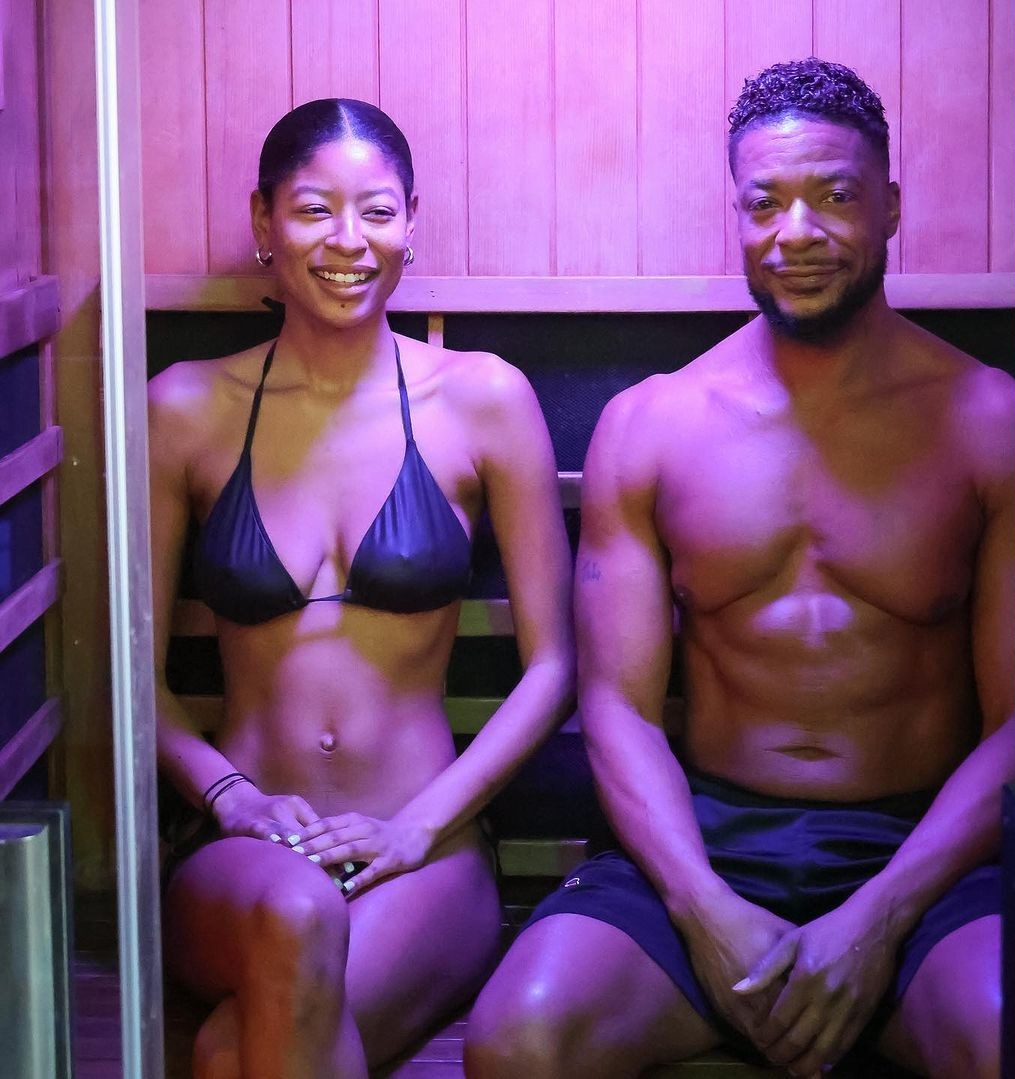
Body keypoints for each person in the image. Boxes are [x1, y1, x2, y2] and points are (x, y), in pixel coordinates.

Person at [465, 58, 1015, 1079]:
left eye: (835, 197)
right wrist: (704, 910)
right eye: (765, 202)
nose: (796, 233)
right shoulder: (652, 424)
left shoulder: (999, 425)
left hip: (930, 856)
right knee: (520, 1042)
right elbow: (619, 707)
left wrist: (879, 918)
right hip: (708, 842)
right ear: (736, 213)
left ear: (891, 207)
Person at [149, 98, 574, 1078]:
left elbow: (553, 667)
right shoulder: (185, 409)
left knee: (229, 1055)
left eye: (377, 211)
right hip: (244, 850)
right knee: (295, 916)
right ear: (263, 222)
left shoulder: (483, 399)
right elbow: (125, 671)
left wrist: (419, 824)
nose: (349, 240)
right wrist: (231, 797)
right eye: (314, 210)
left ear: (410, 221)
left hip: (424, 845)